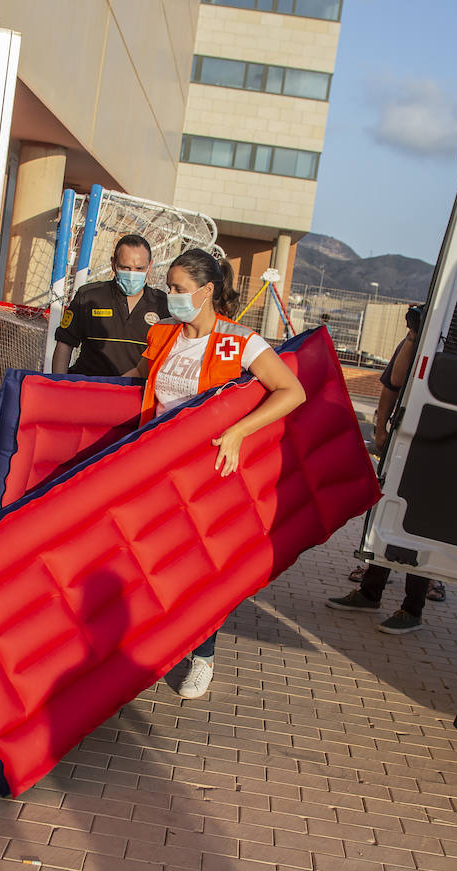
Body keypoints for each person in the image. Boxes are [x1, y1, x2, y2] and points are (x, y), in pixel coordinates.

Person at [124, 248, 306, 698]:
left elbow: (291, 390)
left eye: (179, 289)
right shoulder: (164, 335)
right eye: (169, 287)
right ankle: (154, 648)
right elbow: (138, 378)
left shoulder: (237, 341)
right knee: (149, 564)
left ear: (206, 291)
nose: (170, 296)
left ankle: (202, 655)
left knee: (197, 571)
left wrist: (239, 431)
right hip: (156, 468)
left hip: (206, 474)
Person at [329, 305, 438, 633]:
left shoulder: (449, 350)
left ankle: (412, 607)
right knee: (382, 513)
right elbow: (393, 382)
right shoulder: (414, 344)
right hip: (402, 440)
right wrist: (413, 337)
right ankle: (370, 591)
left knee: (420, 525)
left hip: (436, 449)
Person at [52, 234, 170, 375]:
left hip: (134, 392)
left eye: (139, 268)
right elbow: (65, 343)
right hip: (89, 387)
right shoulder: (89, 296)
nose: (132, 274)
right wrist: (59, 385)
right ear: (113, 264)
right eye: (125, 268)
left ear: (150, 266)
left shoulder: (162, 305)